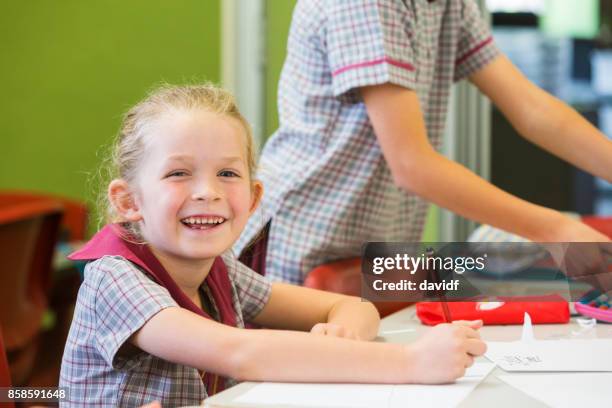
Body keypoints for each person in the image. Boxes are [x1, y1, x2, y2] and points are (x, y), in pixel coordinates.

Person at [59, 84, 487, 407]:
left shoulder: (219, 268)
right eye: (178, 174)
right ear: (129, 201)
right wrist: (412, 364)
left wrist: (343, 336)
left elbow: (355, 307)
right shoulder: (114, 279)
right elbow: (239, 353)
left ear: (255, 197)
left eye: (227, 174)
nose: (207, 191)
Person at [234, 0, 612, 285]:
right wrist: (556, 231)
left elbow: (532, 109)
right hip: (301, 243)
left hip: (374, 249)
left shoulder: (448, 4)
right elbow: (412, 165)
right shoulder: (366, 4)